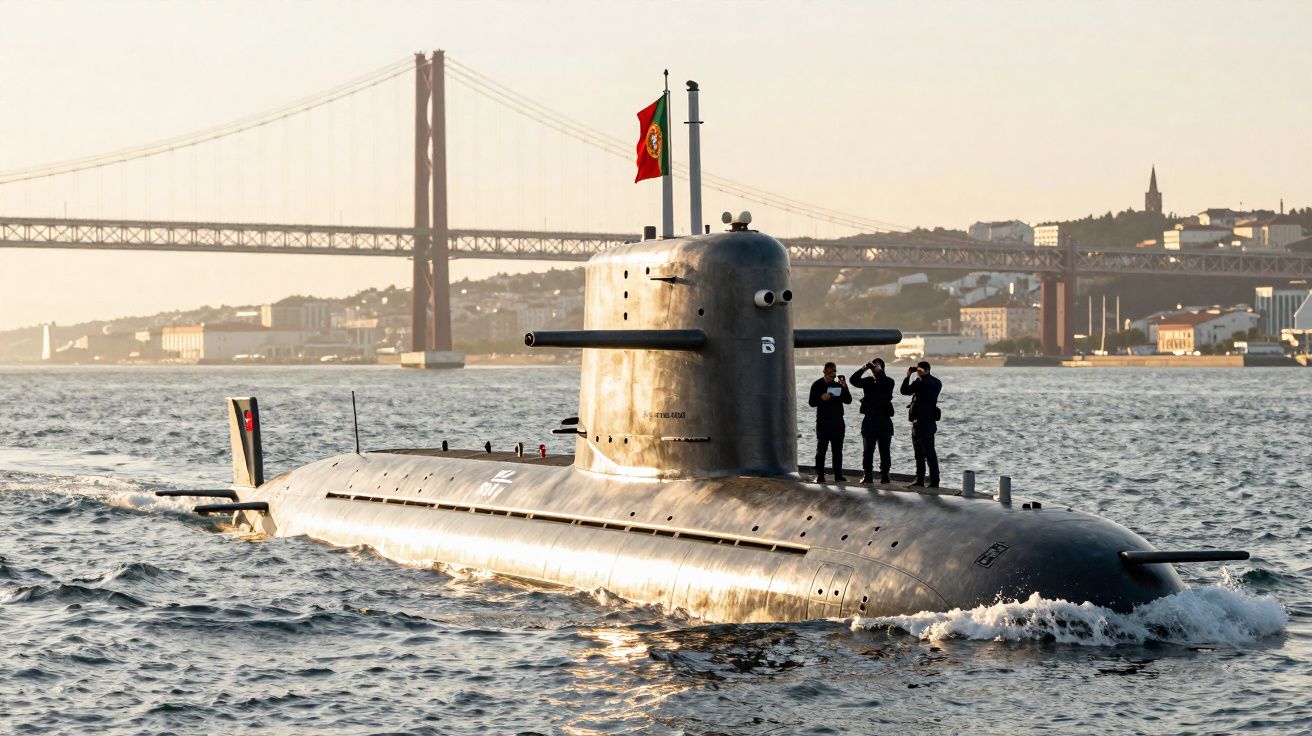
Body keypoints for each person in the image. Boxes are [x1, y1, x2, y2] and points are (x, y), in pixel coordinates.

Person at [849, 357, 894, 484]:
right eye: (874, 367)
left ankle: (885, 475)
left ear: (883, 368)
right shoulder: (868, 381)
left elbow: (883, 381)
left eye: (877, 366)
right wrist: (864, 367)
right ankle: (867, 475)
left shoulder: (888, 381)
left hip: (885, 420)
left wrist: (880, 371)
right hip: (870, 420)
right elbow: (853, 380)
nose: (875, 368)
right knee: (868, 450)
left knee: (885, 450)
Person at [899, 360, 942, 488]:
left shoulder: (921, 382)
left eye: (919, 370)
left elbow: (904, 390)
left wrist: (908, 375)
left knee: (925, 454)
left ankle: (926, 480)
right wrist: (920, 374)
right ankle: (927, 480)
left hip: (922, 423)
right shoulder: (937, 382)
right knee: (926, 453)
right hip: (928, 422)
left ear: (924, 370)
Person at [807, 361, 852, 483]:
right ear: (825, 372)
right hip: (823, 422)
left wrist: (845, 386)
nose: (832, 375)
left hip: (838, 422)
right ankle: (820, 475)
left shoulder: (838, 385)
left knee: (837, 450)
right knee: (821, 450)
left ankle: (838, 475)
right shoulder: (817, 385)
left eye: (834, 372)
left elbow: (848, 400)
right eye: (830, 373)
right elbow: (811, 403)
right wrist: (821, 398)